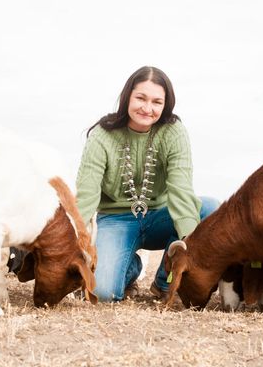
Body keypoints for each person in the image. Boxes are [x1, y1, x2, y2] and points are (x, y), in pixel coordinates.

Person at [76, 66, 219, 302]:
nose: (147, 108)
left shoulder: (174, 132)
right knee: (101, 294)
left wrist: (190, 244)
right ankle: (131, 267)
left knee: (210, 207)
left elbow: (181, 190)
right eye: (140, 98)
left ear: (165, 105)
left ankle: (165, 281)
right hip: (116, 219)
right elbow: (87, 194)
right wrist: (77, 241)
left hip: (161, 216)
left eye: (156, 101)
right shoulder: (102, 134)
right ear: (127, 97)